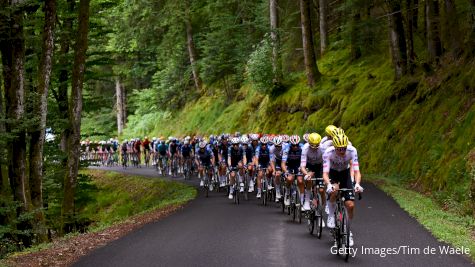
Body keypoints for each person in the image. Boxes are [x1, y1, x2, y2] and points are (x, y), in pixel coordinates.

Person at [323, 133, 363, 247]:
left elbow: (356, 171)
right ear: (334, 147)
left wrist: (357, 184)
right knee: (334, 190)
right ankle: (331, 215)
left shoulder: (352, 151)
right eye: (339, 149)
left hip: (345, 174)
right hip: (333, 173)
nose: (342, 151)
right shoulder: (328, 153)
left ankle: (347, 230)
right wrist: (329, 184)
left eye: (344, 148)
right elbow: (325, 173)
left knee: (350, 205)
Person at [300, 133, 325, 212]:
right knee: (309, 179)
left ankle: (320, 209)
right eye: (312, 146)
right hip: (309, 165)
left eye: (316, 146)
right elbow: (302, 166)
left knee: (321, 190)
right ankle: (307, 201)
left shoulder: (323, 148)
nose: (314, 148)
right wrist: (307, 174)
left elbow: (326, 163)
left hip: (319, 166)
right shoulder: (305, 148)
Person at [281, 135, 304, 208]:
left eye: (296, 145)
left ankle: (301, 199)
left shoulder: (302, 148)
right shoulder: (286, 149)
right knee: (289, 178)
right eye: (293, 145)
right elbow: (283, 163)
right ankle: (287, 193)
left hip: (299, 165)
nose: (295, 147)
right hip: (289, 165)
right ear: (291, 144)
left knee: (300, 181)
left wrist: (303, 169)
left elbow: (304, 160)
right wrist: (286, 171)